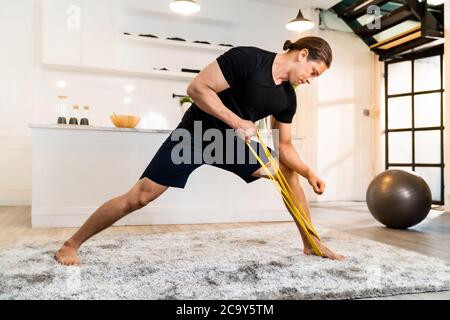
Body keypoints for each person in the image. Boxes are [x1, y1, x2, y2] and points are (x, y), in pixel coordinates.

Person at [55, 36, 345, 266]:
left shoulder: (287, 98)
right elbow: (197, 88)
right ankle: (71, 244)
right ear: (303, 54)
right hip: (194, 135)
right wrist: (236, 121)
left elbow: (284, 146)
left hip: (231, 144)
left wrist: (308, 172)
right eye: (313, 72)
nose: (310, 79)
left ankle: (311, 242)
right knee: (139, 197)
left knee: (287, 172)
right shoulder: (247, 59)